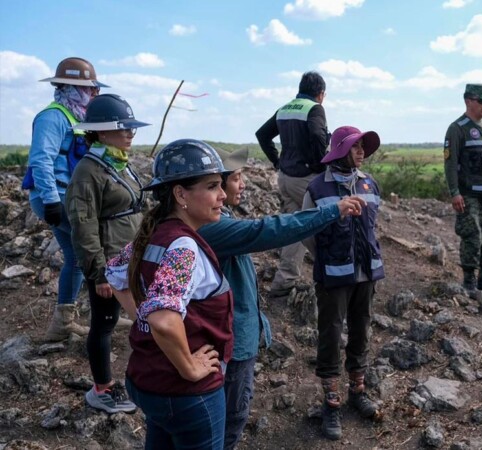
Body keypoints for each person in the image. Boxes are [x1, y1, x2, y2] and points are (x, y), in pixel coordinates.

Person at [197, 149, 365, 450]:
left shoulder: (219, 219)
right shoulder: (212, 228)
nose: (242, 185)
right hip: (231, 345)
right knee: (231, 419)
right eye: (235, 179)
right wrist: (331, 211)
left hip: (237, 336)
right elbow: (268, 231)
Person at [105, 139, 233, 449]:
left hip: (147, 380)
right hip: (186, 393)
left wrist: (141, 316)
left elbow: (114, 272)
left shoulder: (155, 233)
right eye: (213, 185)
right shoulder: (183, 248)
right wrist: (189, 367)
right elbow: (164, 320)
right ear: (180, 194)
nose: (223, 195)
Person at [66, 94, 149, 414]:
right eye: (123, 128)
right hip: (109, 263)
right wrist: (98, 272)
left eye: (132, 128)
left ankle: (135, 380)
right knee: (104, 323)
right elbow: (83, 225)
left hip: (130, 257)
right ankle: (101, 389)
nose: (130, 133)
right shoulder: (88, 171)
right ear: (101, 133)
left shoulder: (119, 163)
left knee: (132, 317)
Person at [302, 126, 384, 441]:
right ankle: (331, 400)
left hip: (367, 274)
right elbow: (306, 232)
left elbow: (373, 226)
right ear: (339, 150)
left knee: (361, 328)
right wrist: (328, 258)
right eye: (355, 146)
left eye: (364, 146)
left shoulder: (369, 182)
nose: (361, 151)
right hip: (334, 276)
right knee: (331, 332)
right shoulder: (317, 188)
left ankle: (357, 391)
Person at [25, 57, 109, 341]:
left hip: (67, 195)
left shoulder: (75, 116)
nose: (94, 94)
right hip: (56, 195)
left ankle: (64, 322)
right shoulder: (53, 117)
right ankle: (105, 315)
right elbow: (41, 161)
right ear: (71, 87)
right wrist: (50, 200)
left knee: (75, 257)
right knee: (93, 249)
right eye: (90, 89)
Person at [255, 71, 330, 297]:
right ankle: (331, 274)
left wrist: (278, 161)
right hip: (306, 179)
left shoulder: (286, 108)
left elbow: (262, 134)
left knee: (295, 228)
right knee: (325, 222)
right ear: (320, 94)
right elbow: (318, 137)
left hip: (286, 178)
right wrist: (321, 164)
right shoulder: (315, 108)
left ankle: (283, 282)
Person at [443, 83, 482, 293]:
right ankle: (469, 280)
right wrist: (455, 192)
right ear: (468, 100)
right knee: (472, 236)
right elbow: (450, 164)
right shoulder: (457, 129)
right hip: (468, 194)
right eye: (481, 101)